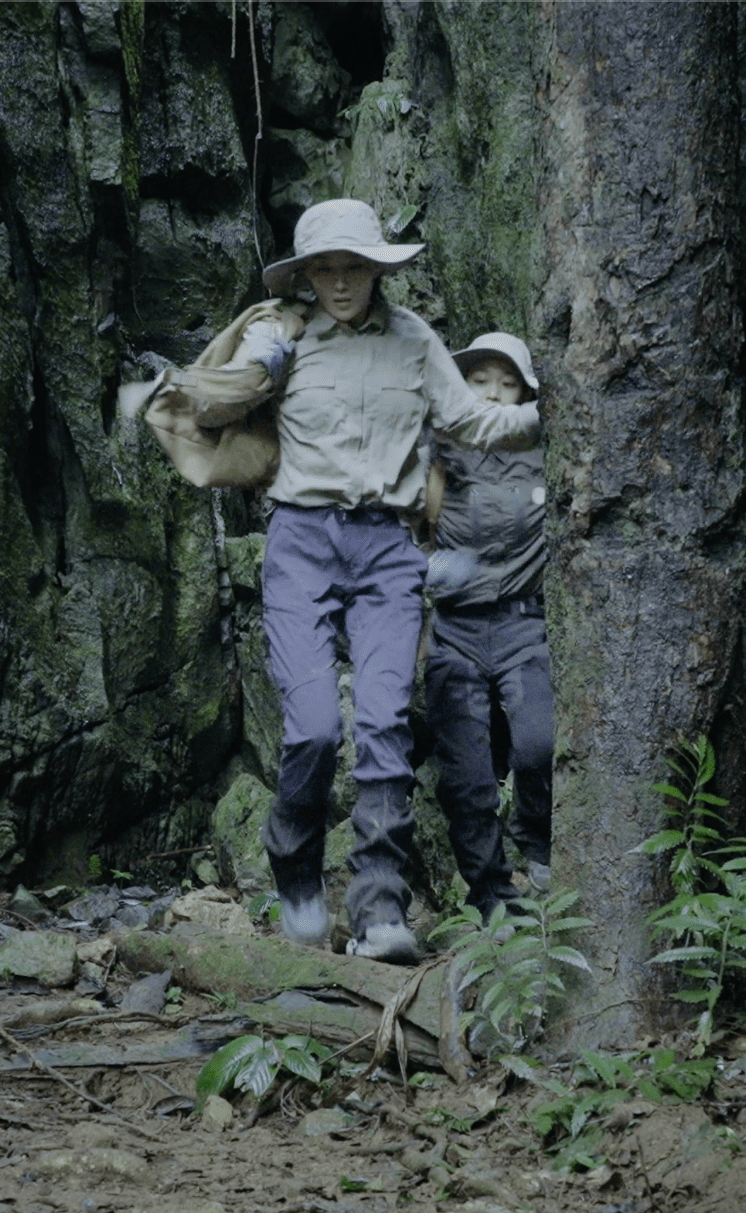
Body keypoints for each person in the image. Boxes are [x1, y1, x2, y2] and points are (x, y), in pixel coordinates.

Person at [233, 200, 541, 963]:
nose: (340, 283)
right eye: (325, 269)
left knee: (384, 729)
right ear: (306, 275)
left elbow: (472, 420)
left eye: (355, 267)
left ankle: (379, 912)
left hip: (386, 547)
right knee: (312, 727)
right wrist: (244, 367)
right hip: (300, 540)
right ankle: (296, 869)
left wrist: (556, 407)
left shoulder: (414, 341)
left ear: (378, 269)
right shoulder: (284, 336)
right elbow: (217, 406)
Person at [422, 332, 553, 918]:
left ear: (526, 393)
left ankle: (542, 846)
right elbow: (409, 532)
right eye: (479, 382)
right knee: (468, 779)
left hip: (525, 624)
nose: (494, 395)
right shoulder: (440, 451)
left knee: (537, 745)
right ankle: (490, 897)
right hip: (455, 631)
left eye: (507, 384)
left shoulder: (548, 450)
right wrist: (432, 571)